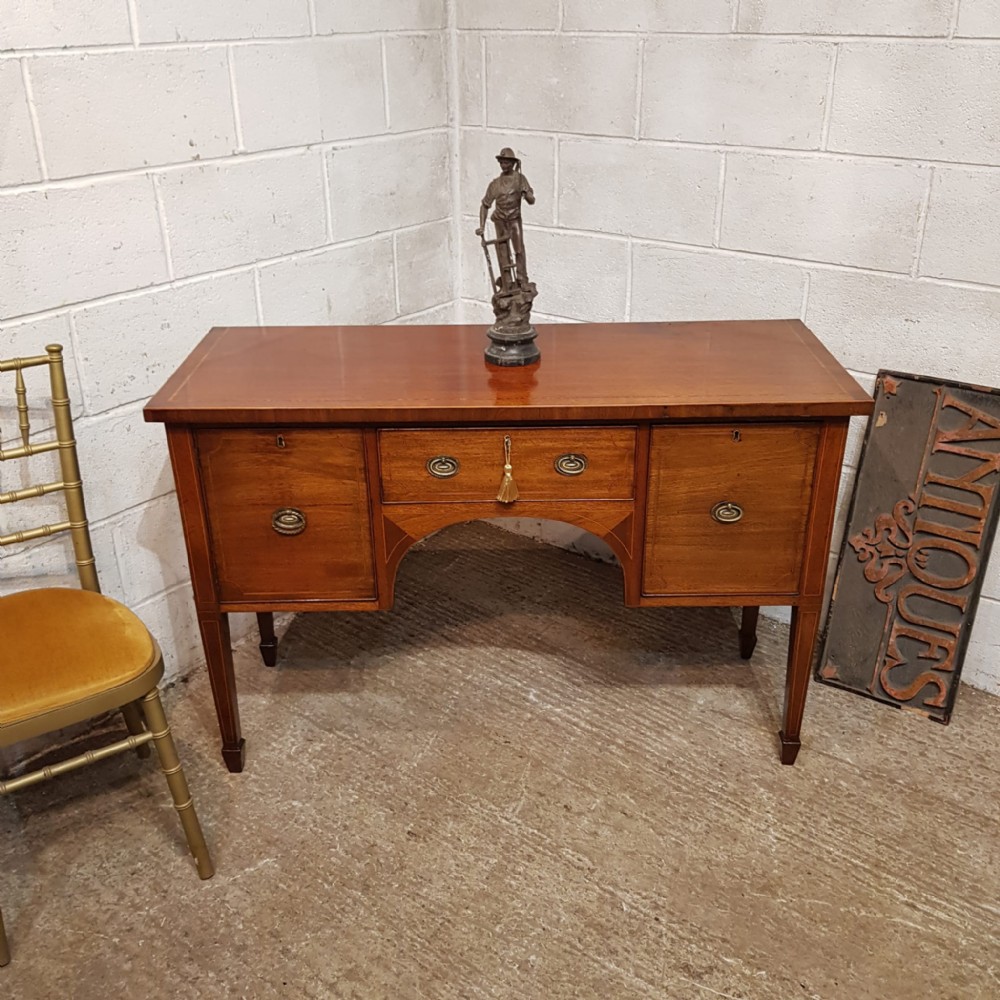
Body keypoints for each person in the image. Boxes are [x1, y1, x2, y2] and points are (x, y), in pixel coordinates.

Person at [476, 147, 535, 290]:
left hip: (514, 219)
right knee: (503, 251)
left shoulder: (520, 179)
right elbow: (485, 205)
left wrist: (527, 194)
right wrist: (482, 226)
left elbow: (531, 200)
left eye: (506, 162)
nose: (503, 165)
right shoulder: (495, 184)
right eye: (501, 162)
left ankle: (522, 279)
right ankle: (507, 281)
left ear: (513, 163)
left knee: (519, 249)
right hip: (500, 220)